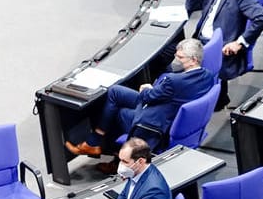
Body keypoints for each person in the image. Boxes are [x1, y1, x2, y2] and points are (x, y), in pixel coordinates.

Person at [70, 39, 216, 158]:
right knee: (115, 92)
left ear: (194, 60)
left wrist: (146, 89)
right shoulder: (208, 76)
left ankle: (108, 151)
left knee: (119, 112)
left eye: (180, 57)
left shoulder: (174, 81)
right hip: (167, 107)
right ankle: (94, 143)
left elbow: (148, 97)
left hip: (156, 121)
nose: (175, 60)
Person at [183, 0, 263, 101]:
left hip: (218, 47)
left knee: (175, 66)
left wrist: (239, 42)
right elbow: (190, 7)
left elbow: (262, 18)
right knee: (170, 53)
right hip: (199, 40)